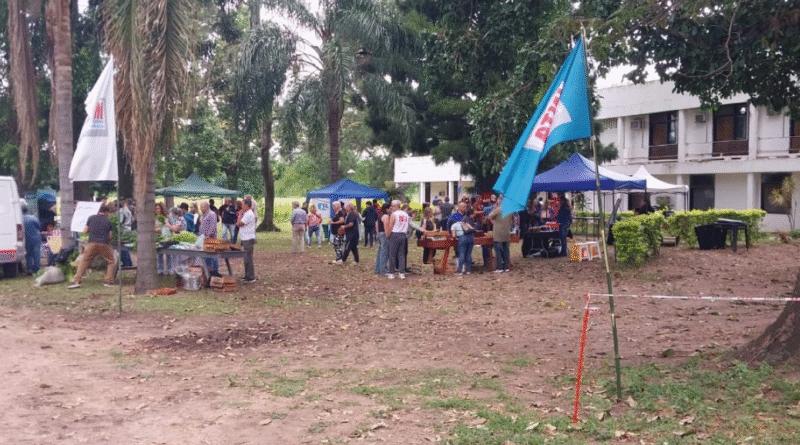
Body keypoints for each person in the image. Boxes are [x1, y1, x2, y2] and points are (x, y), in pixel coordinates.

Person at [68, 205, 116, 288]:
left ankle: (76, 281)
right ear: (106, 212)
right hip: (104, 243)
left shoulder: (91, 218)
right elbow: (110, 236)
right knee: (111, 261)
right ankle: (109, 281)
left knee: (84, 261)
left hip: (91, 243)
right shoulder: (108, 221)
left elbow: (85, 230)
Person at [488, 196, 513, 272]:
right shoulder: (509, 210)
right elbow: (511, 221)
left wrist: (494, 208)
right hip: (506, 232)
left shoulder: (498, 210)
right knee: (506, 250)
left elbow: (489, 216)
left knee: (498, 251)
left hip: (498, 233)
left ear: (499, 202)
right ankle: (506, 267)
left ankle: (499, 267)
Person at [386, 200, 409, 279]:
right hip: (403, 234)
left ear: (396, 206)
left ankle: (391, 272)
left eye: (392, 206)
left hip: (395, 234)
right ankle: (402, 272)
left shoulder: (394, 214)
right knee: (401, 254)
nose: (391, 207)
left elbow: (390, 225)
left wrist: (388, 235)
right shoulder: (405, 214)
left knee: (392, 254)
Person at [198, 201, 221, 278]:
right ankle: (208, 269)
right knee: (206, 254)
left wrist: (209, 235)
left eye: (202, 207)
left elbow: (213, 225)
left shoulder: (212, 214)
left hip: (211, 238)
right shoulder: (203, 215)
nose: (201, 209)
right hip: (203, 238)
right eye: (200, 207)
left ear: (206, 207)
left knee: (213, 254)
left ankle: (215, 270)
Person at [237, 198, 257, 283]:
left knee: (248, 258)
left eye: (242, 204)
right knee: (246, 258)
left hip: (248, 238)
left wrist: (239, 215)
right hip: (245, 237)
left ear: (247, 205)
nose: (241, 206)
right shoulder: (246, 213)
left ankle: (251, 277)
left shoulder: (248, 214)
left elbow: (239, 223)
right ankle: (247, 275)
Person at [451, 207, 476, 275]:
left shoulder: (464, 220)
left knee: (462, 254)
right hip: (471, 238)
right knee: (469, 254)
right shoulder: (471, 220)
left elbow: (455, 234)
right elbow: (473, 229)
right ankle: (468, 270)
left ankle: (460, 270)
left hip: (463, 237)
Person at [21, 201, 41, 274]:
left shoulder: (20, 219)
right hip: (36, 238)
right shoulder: (33, 218)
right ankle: (37, 269)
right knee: (37, 253)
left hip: (26, 239)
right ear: (27, 209)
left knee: (28, 254)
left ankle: (29, 269)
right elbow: (39, 227)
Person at [374, 202, 391, 275]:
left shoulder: (380, 216)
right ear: (387, 209)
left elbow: (376, 225)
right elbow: (386, 227)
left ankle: (377, 269)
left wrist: (378, 233)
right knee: (384, 253)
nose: (391, 209)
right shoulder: (386, 216)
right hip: (384, 234)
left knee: (380, 252)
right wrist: (388, 236)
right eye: (390, 208)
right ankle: (383, 269)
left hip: (380, 234)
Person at [118, 199, 134, 268]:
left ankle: (127, 262)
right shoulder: (128, 210)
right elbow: (133, 219)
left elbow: (120, 221)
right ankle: (128, 262)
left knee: (123, 247)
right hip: (128, 228)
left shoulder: (122, 211)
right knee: (125, 246)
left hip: (124, 229)